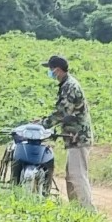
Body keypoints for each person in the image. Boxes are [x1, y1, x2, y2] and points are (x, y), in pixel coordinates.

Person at [41, 54, 93, 209]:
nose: (49, 73)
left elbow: (63, 112)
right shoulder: (66, 84)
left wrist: (43, 124)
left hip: (78, 137)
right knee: (71, 177)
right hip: (73, 137)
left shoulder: (69, 86)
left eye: (50, 69)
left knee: (77, 176)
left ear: (57, 70)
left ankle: (88, 212)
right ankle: (76, 210)